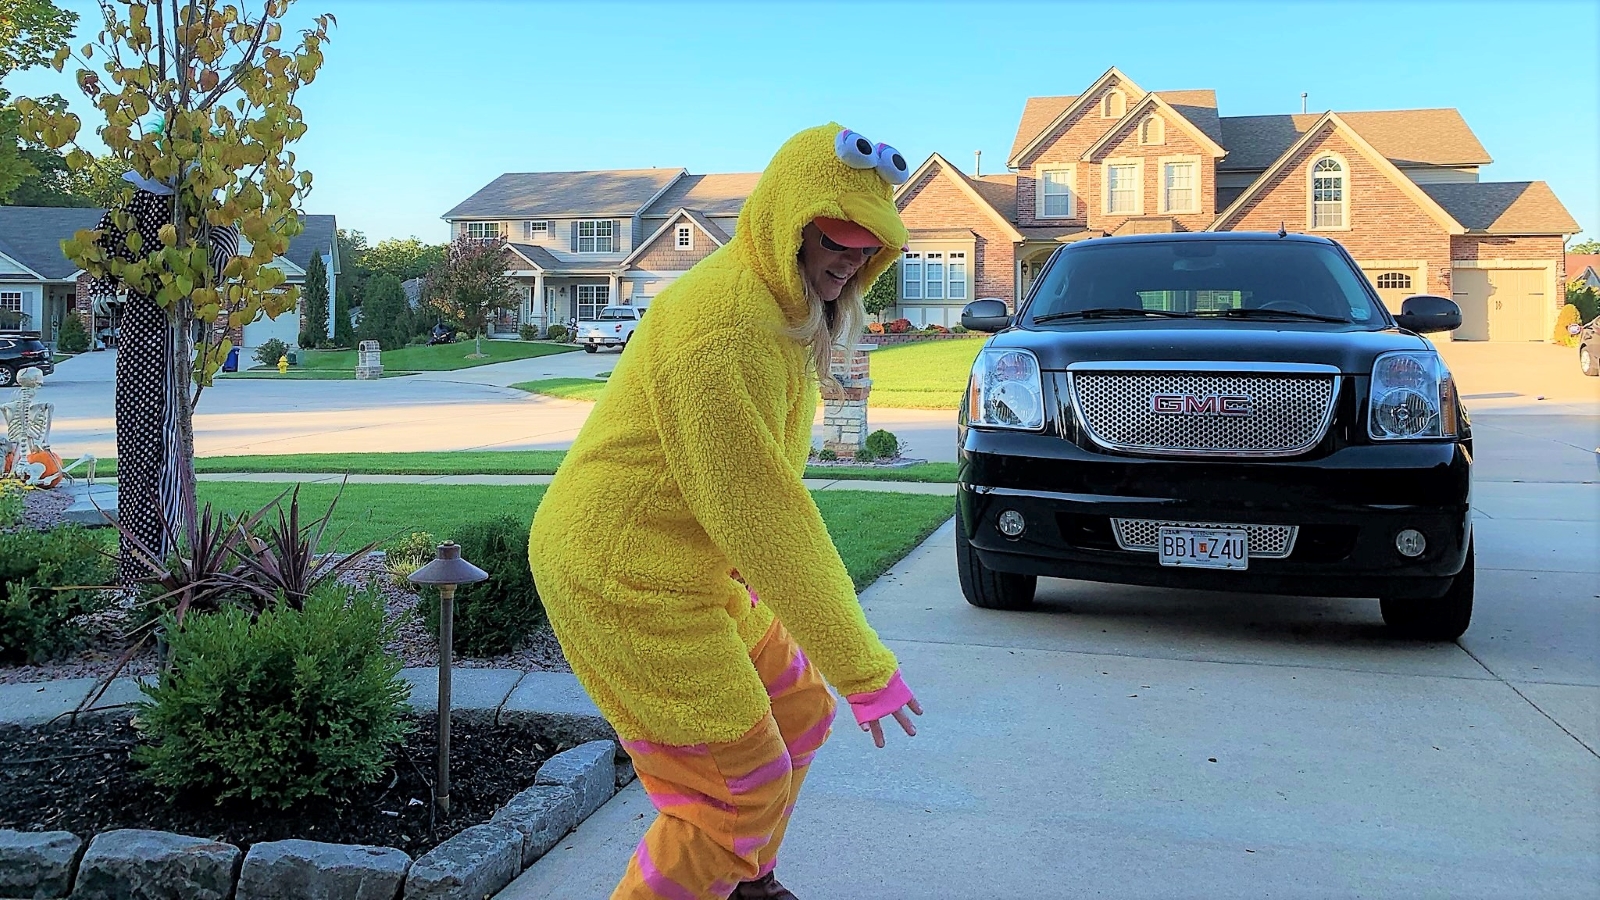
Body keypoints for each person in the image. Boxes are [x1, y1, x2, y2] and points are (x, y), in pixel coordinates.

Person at [528, 123, 922, 900]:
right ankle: (723, 866)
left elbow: (752, 489)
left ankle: (738, 880)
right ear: (789, 224)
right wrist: (864, 668)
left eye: (867, 243)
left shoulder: (785, 308)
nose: (850, 256)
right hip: (621, 572)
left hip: (682, 564)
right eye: (835, 236)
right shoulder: (725, 326)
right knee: (737, 788)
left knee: (802, 712)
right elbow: (763, 510)